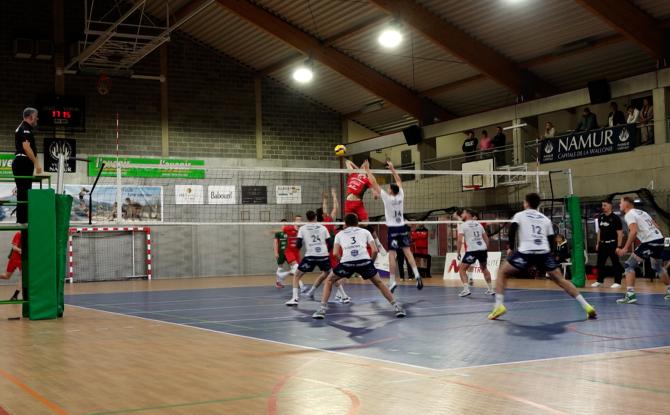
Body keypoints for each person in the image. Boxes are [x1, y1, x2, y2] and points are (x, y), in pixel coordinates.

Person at [488, 193, 597, 320]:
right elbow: (551, 240)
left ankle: (498, 305)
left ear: (526, 203)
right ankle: (587, 306)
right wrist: (549, 256)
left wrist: (511, 247)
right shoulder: (545, 219)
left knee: (502, 272)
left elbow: (512, 230)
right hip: (544, 253)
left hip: (526, 252)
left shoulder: (520, 215)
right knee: (561, 280)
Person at [312, 213, 406, 319]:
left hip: (347, 263)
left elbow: (335, 253)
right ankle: (397, 307)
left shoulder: (339, 234)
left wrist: (343, 262)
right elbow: (375, 250)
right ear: (358, 222)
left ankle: (322, 310)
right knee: (379, 283)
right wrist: (371, 263)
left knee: (329, 280)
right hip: (364, 262)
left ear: (345, 223)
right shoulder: (366, 231)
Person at [365, 161, 423, 291]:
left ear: (391, 191)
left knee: (392, 254)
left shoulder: (387, 198)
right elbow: (399, 180)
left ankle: (392, 281)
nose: (387, 189)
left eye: (389, 188)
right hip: (402, 228)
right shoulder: (401, 195)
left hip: (393, 229)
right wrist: (392, 168)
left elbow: (374, 183)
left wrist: (368, 170)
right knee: (408, 252)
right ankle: (417, 275)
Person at [615, 197, 670, 304]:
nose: (619, 205)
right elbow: (656, 226)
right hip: (659, 240)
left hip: (650, 242)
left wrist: (625, 248)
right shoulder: (642, 212)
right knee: (657, 267)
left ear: (627, 204)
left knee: (629, 265)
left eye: (621, 202)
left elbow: (634, 231)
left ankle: (630, 295)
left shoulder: (629, 214)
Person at [285, 211, 331, 306]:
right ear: (315, 217)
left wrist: (301, 245)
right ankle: (343, 295)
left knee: (297, 275)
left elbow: (297, 245)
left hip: (310, 256)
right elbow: (330, 243)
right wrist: (325, 252)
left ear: (307, 218)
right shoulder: (323, 227)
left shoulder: (302, 228)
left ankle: (295, 298)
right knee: (329, 274)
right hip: (323, 255)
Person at [13, 107, 43, 224]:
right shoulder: (24, 128)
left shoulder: (24, 127)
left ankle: (23, 220)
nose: (37, 119)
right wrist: (37, 164)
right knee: (23, 192)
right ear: (31, 117)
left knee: (24, 192)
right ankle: (22, 221)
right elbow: (26, 147)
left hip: (23, 163)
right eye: (36, 117)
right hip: (22, 163)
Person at [456, 209, 494, 297]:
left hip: (472, 251)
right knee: (484, 268)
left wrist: (458, 252)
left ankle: (466, 290)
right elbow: (486, 239)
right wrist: (485, 249)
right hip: (482, 249)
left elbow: (459, 240)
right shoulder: (479, 224)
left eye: (464, 213)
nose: (462, 214)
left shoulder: (463, 225)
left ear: (468, 214)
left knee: (462, 269)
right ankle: (491, 289)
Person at [592, 200, 624, 288]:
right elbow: (599, 231)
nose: (603, 207)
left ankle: (617, 282)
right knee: (600, 263)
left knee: (615, 263)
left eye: (605, 205)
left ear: (610, 206)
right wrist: (598, 243)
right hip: (602, 244)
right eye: (602, 205)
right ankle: (600, 280)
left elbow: (620, 233)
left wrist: (619, 246)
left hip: (612, 243)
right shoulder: (600, 217)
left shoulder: (615, 218)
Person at [282, 215, 308, 293]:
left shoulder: (302, 230)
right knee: (296, 269)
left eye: (300, 220)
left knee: (299, 271)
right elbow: (283, 228)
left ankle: (283, 274)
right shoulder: (290, 228)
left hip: (297, 252)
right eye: (297, 220)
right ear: (294, 221)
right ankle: (302, 286)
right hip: (289, 251)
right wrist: (294, 228)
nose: (299, 221)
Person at [1, 232, 22, 301]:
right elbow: (14, 247)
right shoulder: (19, 234)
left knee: (23, 278)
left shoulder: (31, 236)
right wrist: (20, 250)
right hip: (14, 259)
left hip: (23, 260)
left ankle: (15, 296)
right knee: (6, 276)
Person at [273, 219, 292, 288]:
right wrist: (276, 252)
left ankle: (300, 284)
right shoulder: (278, 233)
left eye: (286, 224)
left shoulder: (289, 232)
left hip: (289, 253)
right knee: (280, 267)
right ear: (281, 225)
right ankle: (278, 283)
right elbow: (275, 243)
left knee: (295, 267)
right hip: (281, 252)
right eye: (283, 224)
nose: (284, 225)